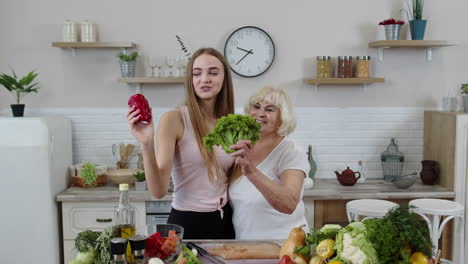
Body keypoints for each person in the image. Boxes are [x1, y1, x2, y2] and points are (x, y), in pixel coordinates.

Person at [126, 48, 236, 239]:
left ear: (224, 78)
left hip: (225, 221)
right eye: (197, 73)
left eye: (213, 72)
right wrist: (146, 144)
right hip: (187, 223)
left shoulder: (230, 123)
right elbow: (158, 190)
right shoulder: (175, 119)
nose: (204, 79)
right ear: (190, 80)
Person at [228, 86, 310, 239]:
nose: (260, 113)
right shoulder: (241, 146)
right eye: (256, 106)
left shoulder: (291, 151)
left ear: (282, 119)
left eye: (270, 109)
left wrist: (252, 171)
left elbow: (289, 203)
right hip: (246, 245)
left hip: (285, 246)